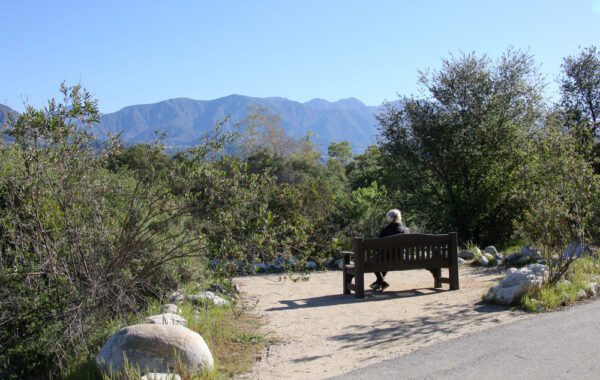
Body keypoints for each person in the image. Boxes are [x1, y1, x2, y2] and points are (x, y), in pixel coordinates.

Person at [370, 209, 410, 291]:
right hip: (403, 259)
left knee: (373, 260)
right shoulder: (406, 230)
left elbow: (377, 246)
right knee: (387, 258)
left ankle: (381, 281)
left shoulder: (385, 230)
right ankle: (379, 282)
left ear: (388, 219)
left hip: (387, 259)